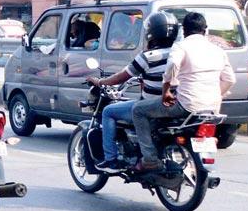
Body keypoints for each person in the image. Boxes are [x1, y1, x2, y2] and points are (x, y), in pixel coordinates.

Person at [131, 12, 234, 171]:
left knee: (138, 110)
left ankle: (149, 159)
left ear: (184, 31)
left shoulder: (181, 46)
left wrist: (166, 90)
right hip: (212, 108)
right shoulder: (218, 50)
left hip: (185, 106)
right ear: (205, 30)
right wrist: (214, 95)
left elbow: (172, 66)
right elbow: (230, 80)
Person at [86, 11, 177, 171]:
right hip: (174, 105)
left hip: (150, 106)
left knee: (108, 111)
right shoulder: (178, 53)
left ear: (151, 33)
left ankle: (110, 160)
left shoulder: (148, 57)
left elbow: (122, 76)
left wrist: (100, 82)